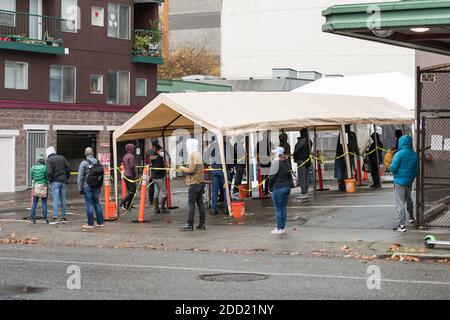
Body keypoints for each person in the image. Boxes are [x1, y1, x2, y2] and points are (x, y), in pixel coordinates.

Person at [389, 136, 419, 232]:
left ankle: (402, 225)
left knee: (400, 203)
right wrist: (411, 178)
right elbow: (416, 171)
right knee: (409, 199)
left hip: (399, 181)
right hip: (409, 181)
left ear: (401, 143)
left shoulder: (399, 154)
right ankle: (411, 217)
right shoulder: (415, 155)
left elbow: (392, 168)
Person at [179, 138, 206, 231]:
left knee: (191, 204)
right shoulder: (198, 154)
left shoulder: (194, 155)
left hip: (194, 183)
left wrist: (182, 168)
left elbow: (191, 170)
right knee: (200, 204)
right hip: (200, 182)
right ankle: (202, 224)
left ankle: (190, 224)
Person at [77, 147, 105, 229]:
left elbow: (80, 177)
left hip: (87, 186)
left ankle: (90, 224)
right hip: (97, 186)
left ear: (85, 154)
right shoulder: (98, 162)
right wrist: (100, 185)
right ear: (92, 153)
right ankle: (100, 222)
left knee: (89, 204)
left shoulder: (83, 163)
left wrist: (80, 189)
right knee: (96, 202)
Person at [268, 147, 293, 235]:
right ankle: (282, 228)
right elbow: (289, 175)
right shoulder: (287, 163)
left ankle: (279, 228)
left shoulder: (275, 164)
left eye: (275, 154)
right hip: (287, 187)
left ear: (278, 155)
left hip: (278, 188)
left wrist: (269, 188)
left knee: (278, 208)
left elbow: (271, 177)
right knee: (283, 208)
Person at [46, 146, 70, 225]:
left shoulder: (49, 160)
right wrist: (67, 178)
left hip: (55, 182)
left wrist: (50, 180)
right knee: (63, 200)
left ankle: (55, 218)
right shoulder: (62, 158)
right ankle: (64, 217)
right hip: (63, 181)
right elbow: (68, 168)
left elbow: (49, 172)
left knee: (55, 200)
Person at [204, 136, 227, 215]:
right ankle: (226, 208)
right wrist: (230, 167)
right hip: (223, 170)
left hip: (214, 170)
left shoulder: (212, 145)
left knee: (215, 190)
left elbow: (205, 156)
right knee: (225, 190)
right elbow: (231, 156)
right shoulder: (225, 145)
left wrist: (207, 165)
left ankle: (214, 208)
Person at [335, 125, 359, 191]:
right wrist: (357, 153)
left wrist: (338, 154)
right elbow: (355, 144)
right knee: (350, 170)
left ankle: (344, 185)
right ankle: (349, 183)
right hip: (350, 155)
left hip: (343, 155)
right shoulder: (352, 134)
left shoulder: (342, 134)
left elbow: (339, 145)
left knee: (344, 170)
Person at [29, 155, 49, 224]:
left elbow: (31, 176)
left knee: (34, 203)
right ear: (43, 161)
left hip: (36, 186)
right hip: (43, 186)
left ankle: (32, 219)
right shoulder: (45, 167)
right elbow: (47, 177)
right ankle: (44, 219)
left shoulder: (33, 167)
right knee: (44, 203)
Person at [293, 128, 312, 199]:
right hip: (308, 161)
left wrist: (295, 157)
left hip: (301, 161)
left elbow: (296, 150)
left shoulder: (302, 141)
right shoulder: (310, 140)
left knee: (302, 177)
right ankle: (306, 191)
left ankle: (304, 192)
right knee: (306, 177)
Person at [151, 145, 169, 214]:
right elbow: (159, 168)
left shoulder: (153, 157)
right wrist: (164, 171)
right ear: (158, 151)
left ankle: (156, 209)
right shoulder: (159, 158)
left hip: (154, 177)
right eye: (161, 151)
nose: (162, 152)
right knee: (164, 192)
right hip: (159, 177)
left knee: (156, 192)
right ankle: (162, 208)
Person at [255, 132, 275, 196]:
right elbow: (273, 152)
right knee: (266, 177)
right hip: (266, 162)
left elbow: (255, 153)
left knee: (263, 177)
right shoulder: (269, 143)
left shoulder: (261, 143)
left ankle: (262, 190)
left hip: (262, 162)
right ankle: (265, 190)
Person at [121, 143, 136, 210]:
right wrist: (135, 173)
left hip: (125, 175)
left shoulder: (125, 156)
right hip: (130, 175)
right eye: (133, 148)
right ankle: (123, 202)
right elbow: (132, 166)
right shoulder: (131, 156)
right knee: (132, 190)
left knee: (131, 191)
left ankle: (129, 205)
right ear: (130, 149)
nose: (134, 149)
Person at [144, 138, 159, 206]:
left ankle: (150, 201)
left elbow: (146, 161)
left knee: (151, 186)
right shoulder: (158, 151)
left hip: (150, 170)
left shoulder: (148, 151)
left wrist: (150, 164)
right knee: (158, 186)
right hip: (158, 171)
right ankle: (156, 201)